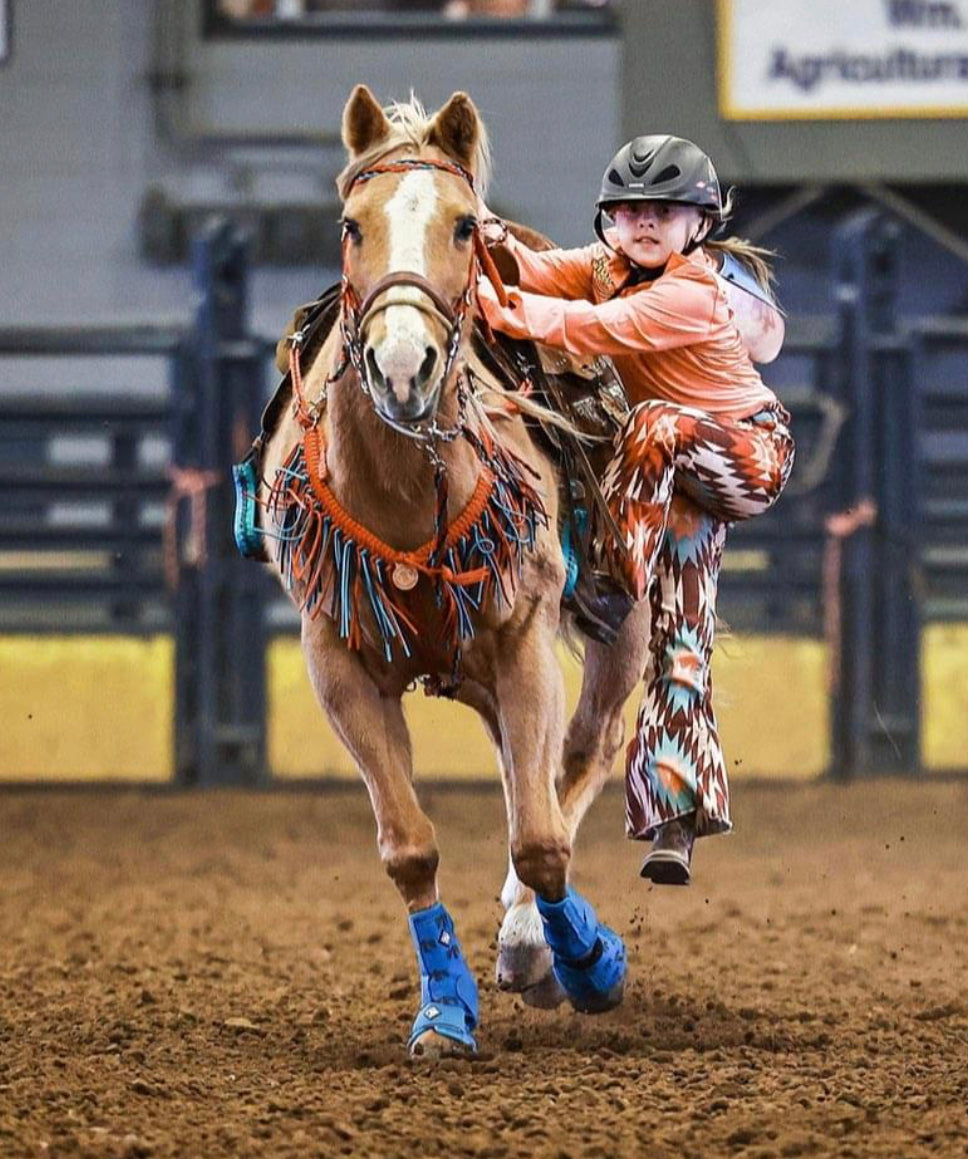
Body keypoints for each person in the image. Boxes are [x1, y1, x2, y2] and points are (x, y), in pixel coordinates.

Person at [478, 135, 795, 886]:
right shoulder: (600, 269)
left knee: (649, 423)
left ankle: (609, 582)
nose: (643, 222)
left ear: (698, 226)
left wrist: (511, 310)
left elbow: (595, 329)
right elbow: (532, 269)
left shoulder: (693, 291)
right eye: (628, 210)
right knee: (681, 641)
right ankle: (675, 817)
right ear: (609, 221)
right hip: (673, 479)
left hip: (747, 455)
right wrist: (479, 233)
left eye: (663, 210)